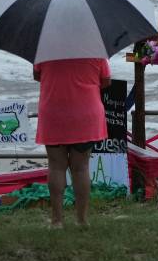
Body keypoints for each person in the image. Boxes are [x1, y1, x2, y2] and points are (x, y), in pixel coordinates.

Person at [33, 57, 111, 227]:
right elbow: (106, 81)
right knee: (81, 168)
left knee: (56, 166)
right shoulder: (95, 50)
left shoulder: (45, 48)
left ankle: (57, 221)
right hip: (85, 113)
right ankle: (82, 220)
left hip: (54, 112)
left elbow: (37, 75)